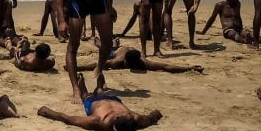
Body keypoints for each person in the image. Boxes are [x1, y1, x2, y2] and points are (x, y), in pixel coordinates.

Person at [37, 74, 162, 131]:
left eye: (127, 114)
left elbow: (68, 119)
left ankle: (82, 86)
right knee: (101, 92)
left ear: (117, 118)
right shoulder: (136, 120)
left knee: (86, 96)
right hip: (114, 100)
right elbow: (151, 118)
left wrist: (46, 112)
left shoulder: (98, 121)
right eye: (129, 114)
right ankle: (99, 87)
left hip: (94, 103)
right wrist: (157, 114)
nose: (130, 113)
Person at [75, 46, 203, 74]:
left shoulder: (143, 62)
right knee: (107, 51)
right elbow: (98, 64)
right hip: (118, 51)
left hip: (131, 51)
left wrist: (189, 68)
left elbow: (165, 66)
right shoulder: (118, 60)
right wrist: (77, 67)